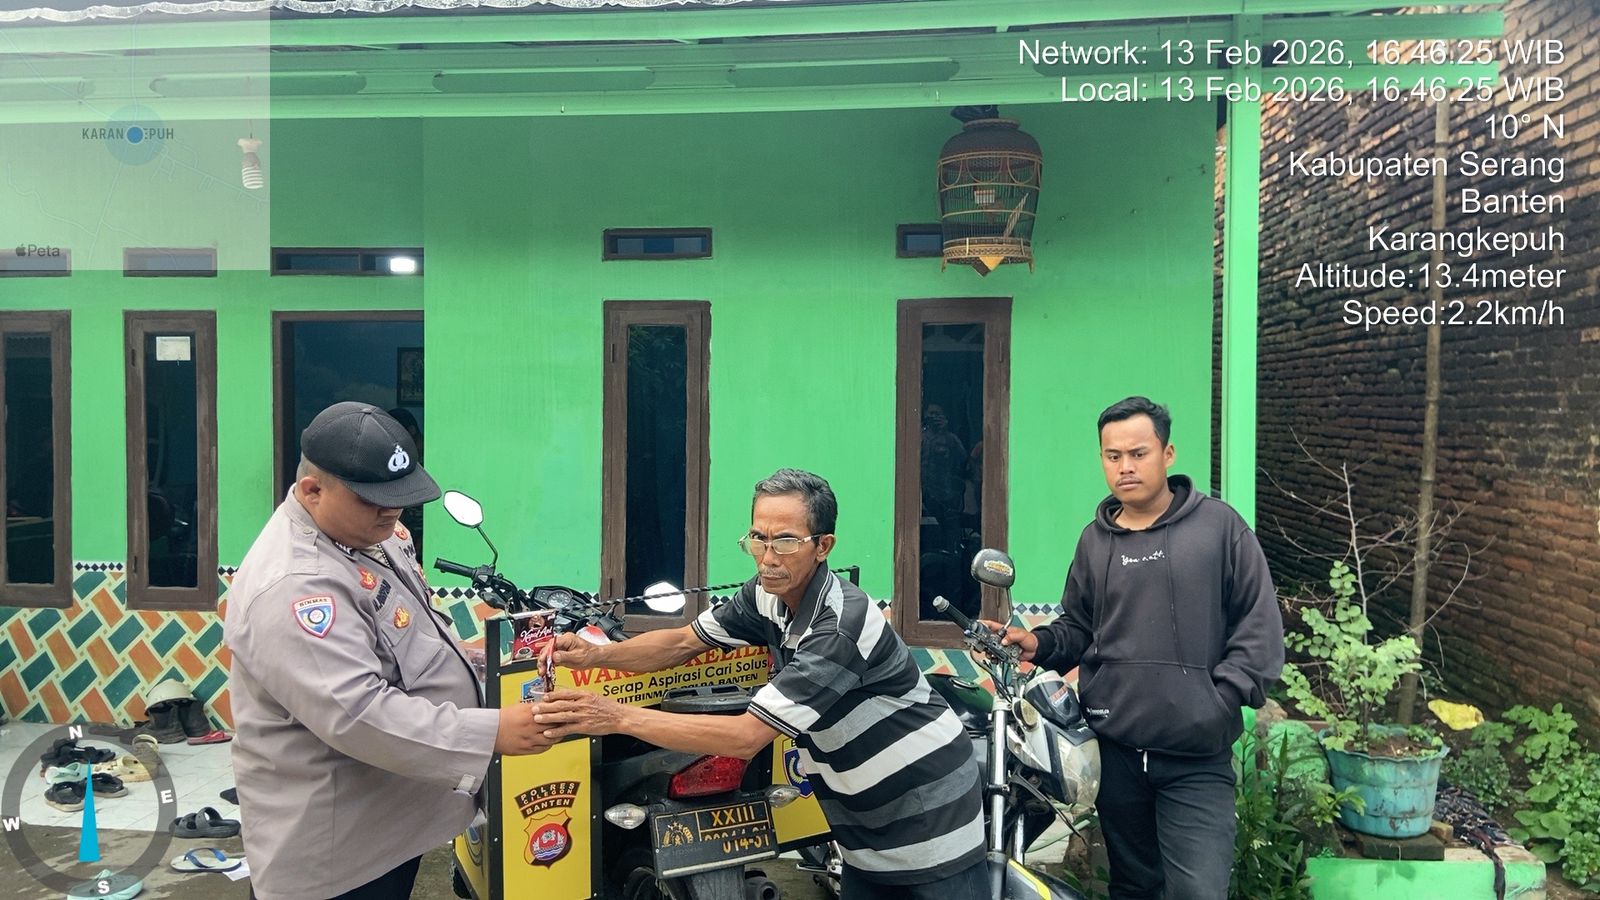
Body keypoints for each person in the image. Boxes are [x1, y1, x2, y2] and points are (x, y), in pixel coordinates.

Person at [535, 469, 987, 898]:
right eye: (758, 538)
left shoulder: (839, 626)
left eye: (786, 541)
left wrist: (614, 717)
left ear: (823, 546)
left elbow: (746, 737)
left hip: (928, 808)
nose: (768, 558)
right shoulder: (766, 594)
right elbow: (683, 642)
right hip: (858, 820)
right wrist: (597, 655)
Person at [226, 402, 556, 900]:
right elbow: (356, 713)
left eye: (400, 497)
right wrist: (492, 732)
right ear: (312, 491)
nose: (393, 511)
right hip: (339, 852)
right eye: (373, 499)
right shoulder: (297, 585)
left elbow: (406, 636)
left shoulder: (371, 535)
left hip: (393, 820)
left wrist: (485, 660)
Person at [983, 396, 1285, 900]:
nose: (1125, 466)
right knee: (1134, 888)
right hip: (1117, 754)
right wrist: (1037, 642)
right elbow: (1080, 627)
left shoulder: (1219, 529)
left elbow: (1259, 630)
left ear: (1168, 454)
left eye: (1138, 453)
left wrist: (1216, 703)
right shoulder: (1095, 541)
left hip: (1195, 758)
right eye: (1113, 455)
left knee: (1198, 892)